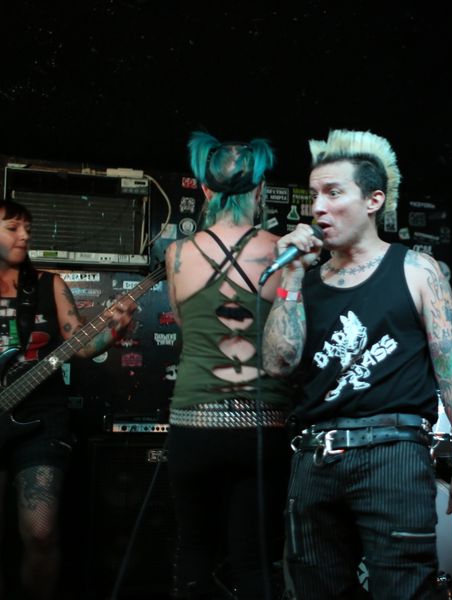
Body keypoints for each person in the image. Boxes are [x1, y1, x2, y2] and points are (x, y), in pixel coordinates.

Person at [262, 129, 452, 599]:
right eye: (313, 196)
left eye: (333, 193)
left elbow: (451, 368)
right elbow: (278, 363)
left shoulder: (417, 270)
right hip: (315, 456)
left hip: (393, 454)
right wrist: (292, 275)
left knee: (404, 588)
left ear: (373, 201)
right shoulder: (304, 282)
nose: (318, 208)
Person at [0, 199, 135, 600]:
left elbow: (81, 345)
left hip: (40, 420)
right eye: (13, 228)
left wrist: (115, 329)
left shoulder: (47, 285)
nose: (25, 236)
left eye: (28, 229)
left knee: (41, 531)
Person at [164, 131, 293, 600]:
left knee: (194, 553)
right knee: (254, 562)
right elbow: (289, 344)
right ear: (260, 190)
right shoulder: (282, 250)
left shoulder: (178, 254)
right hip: (261, 425)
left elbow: (184, 325)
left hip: (194, 423)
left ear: (205, 189)